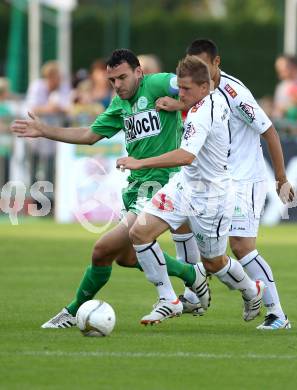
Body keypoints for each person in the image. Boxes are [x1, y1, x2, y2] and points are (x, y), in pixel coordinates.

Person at [11, 49, 209, 328]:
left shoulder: (157, 83)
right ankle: (191, 274)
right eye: (112, 80)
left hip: (162, 183)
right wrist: (45, 130)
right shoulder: (120, 105)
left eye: (123, 77)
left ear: (139, 72)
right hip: (137, 188)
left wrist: (179, 106)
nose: (117, 85)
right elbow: (89, 135)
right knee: (125, 257)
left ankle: (72, 311)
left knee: (101, 249)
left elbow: (203, 86)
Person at [156, 39, 294, 330]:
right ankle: (194, 293)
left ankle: (277, 313)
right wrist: (179, 104)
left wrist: (281, 179)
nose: (198, 72)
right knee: (180, 223)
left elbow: (269, 131)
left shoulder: (234, 93)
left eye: (204, 66)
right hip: (215, 178)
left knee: (241, 247)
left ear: (216, 64)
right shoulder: (199, 90)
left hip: (245, 179)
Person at [117, 55, 265, 325]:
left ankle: (251, 290)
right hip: (184, 186)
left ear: (204, 88)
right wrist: (178, 104)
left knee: (214, 264)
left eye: (185, 89)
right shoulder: (205, 100)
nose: (180, 92)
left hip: (211, 196)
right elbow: (188, 115)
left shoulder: (202, 114)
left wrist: (139, 163)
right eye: (179, 87)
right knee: (139, 232)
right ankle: (168, 300)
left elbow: (186, 156)